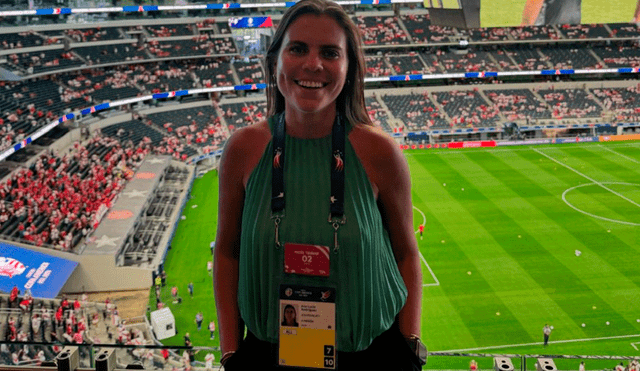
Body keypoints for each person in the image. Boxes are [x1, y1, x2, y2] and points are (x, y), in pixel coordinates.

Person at [213, 0, 423, 370]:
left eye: (330, 53)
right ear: (275, 59)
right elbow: (227, 253)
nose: (313, 64)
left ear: (348, 67)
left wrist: (410, 346)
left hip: (371, 354)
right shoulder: (243, 150)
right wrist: (231, 352)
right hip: (269, 353)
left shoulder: (380, 152)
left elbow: (406, 254)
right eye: (298, 49)